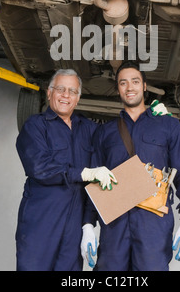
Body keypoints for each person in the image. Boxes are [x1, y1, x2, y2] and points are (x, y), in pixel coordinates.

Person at [81, 61, 180, 271]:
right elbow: (95, 182)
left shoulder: (169, 126)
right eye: (123, 83)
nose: (130, 88)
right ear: (118, 88)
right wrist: (88, 225)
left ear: (144, 86)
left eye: (135, 81)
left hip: (153, 226)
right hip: (114, 227)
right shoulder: (105, 133)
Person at [15, 68, 116, 271]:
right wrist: (85, 173)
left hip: (73, 226)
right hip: (41, 222)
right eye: (60, 89)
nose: (65, 95)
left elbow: (115, 138)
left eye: (72, 91)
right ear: (49, 92)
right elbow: (39, 167)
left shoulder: (87, 128)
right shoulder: (35, 126)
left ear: (78, 99)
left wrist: (149, 117)